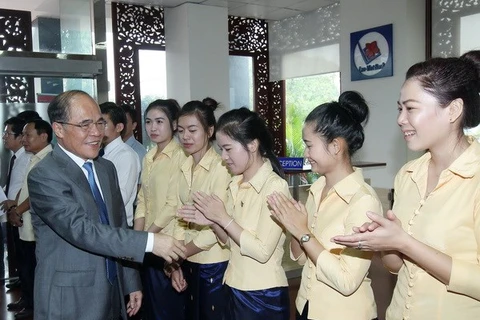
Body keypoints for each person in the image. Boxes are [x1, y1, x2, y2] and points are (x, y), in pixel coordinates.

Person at [332, 56, 480, 319]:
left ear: (453, 110)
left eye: (411, 109)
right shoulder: (408, 175)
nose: (400, 119)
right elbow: (397, 268)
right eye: (399, 109)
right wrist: (382, 243)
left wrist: (406, 243)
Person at [27, 90, 186, 320]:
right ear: (59, 129)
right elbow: (82, 230)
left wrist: (131, 282)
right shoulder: (45, 175)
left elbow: (118, 224)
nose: (96, 133)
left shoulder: (105, 168)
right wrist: (151, 242)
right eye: (85, 124)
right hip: (70, 299)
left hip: (111, 291)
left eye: (100, 123)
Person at [267, 91, 381, 320]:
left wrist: (302, 232)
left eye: (310, 146)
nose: (306, 154)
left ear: (336, 146)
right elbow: (300, 258)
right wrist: (294, 227)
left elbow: (347, 281)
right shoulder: (317, 189)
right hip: (306, 306)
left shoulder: (363, 200)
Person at [179, 107, 290, 320]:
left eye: (228, 149)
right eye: (221, 149)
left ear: (252, 144)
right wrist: (212, 222)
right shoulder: (236, 183)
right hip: (233, 285)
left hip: (263, 294)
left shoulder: (275, 187)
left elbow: (262, 251)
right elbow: (228, 243)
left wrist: (223, 218)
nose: (224, 157)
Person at [170, 100, 231, 320]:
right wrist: (174, 260)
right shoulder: (184, 167)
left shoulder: (221, 169)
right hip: (187, 259)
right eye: (180, 130)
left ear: (210, 130)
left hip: (213, 262)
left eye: (192, 130)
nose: (185, 136)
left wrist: (180, 253)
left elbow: (217, 225)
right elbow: (180, 217)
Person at [133, 99, 187, 320]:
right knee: (151, 308)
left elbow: (173, 204)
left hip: (168, 242)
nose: (152, 128)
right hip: (149, 242)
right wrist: (137, 238)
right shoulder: (148, 156)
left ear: (174, 124)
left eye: (159, 121)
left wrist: (148, 235)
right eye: (148, 122)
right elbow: (143, 199)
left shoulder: (180, 155)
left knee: (168, 308)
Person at [7, 119, 53, 319]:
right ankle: (26, 299)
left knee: (34, 268)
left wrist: (17, 211)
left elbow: (37, 194)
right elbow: (24, 189)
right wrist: (15, 207)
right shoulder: (33, 157)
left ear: (43, 137)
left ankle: (33, 306)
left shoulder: (48, 159)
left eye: (28, 135)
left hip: (36, 223)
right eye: (23, 135)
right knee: (25, 264)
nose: (24, 140)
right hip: (24, 222)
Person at [1, 117, 32, 295]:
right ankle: (21, 284)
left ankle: (27, 297)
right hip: (11, 211)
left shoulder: (28, 158)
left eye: (7, 133)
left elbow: (26, 187)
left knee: (26, 257)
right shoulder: (15, 158)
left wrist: (16, 206)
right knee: (18, 256)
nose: (4, 137)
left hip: (22, 212)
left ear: (21, 137)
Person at [100, 103, 141, 227]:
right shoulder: (102, 153)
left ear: (119, 127)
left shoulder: (126, 155)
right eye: (96, 124)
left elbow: (121, 198)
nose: (98, 129)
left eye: (104, 124)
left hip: (119, 227)